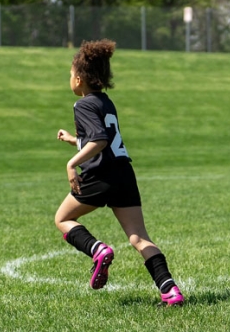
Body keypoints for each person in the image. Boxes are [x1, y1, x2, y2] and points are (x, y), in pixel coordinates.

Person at [54, 39, 184, 307]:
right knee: (138, 237)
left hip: (100, 175)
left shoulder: (82, 105)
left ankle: (97, 250)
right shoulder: (105, 102)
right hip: (123, 173)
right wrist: (73, 140)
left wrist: (70, 164)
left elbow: (99, 141)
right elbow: (101, 139)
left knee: (63, 218)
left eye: (69, 74)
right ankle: (170, 291)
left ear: (78, 79)